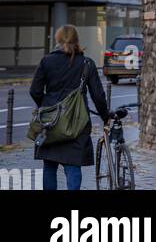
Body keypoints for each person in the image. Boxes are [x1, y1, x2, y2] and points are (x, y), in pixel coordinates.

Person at [29, 24, 111, 191]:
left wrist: (46, 107)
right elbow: (98, 96)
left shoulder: (47, 61)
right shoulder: (86, 63)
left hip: (49, 123)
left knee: (49, 166)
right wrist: (105, 117)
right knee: (73, 166)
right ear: (76, 40)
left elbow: (35, 91)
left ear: (58, 40)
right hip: (77, 123)